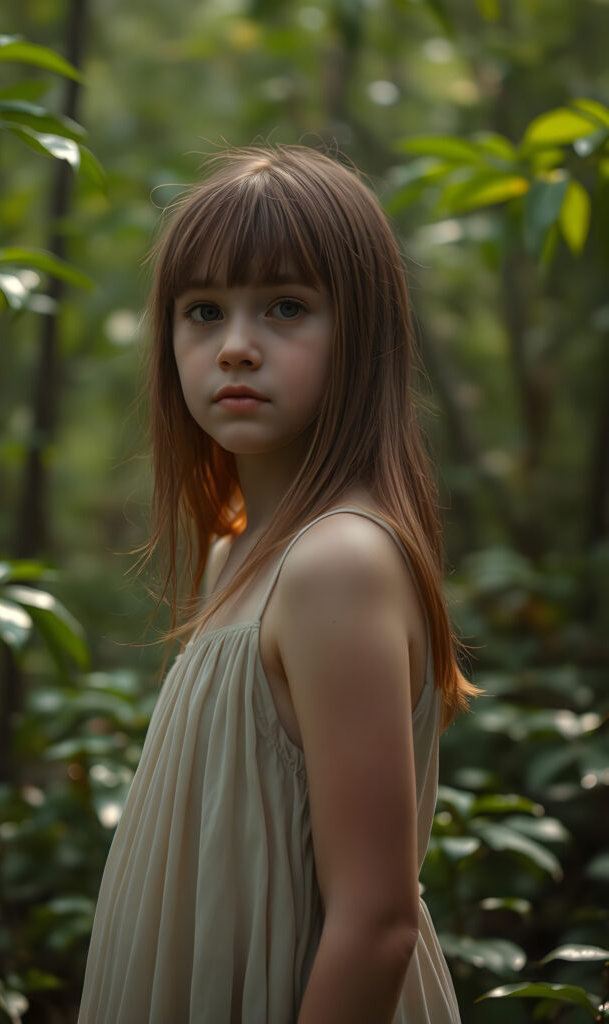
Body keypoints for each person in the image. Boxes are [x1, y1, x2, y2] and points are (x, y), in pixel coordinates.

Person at [77, 145, 475, 1023]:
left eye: (286, 307)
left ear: (362, 332)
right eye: (203, 312)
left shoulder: (338, 564)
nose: (236, 349)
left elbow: (375, 925)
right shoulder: (237, 555)